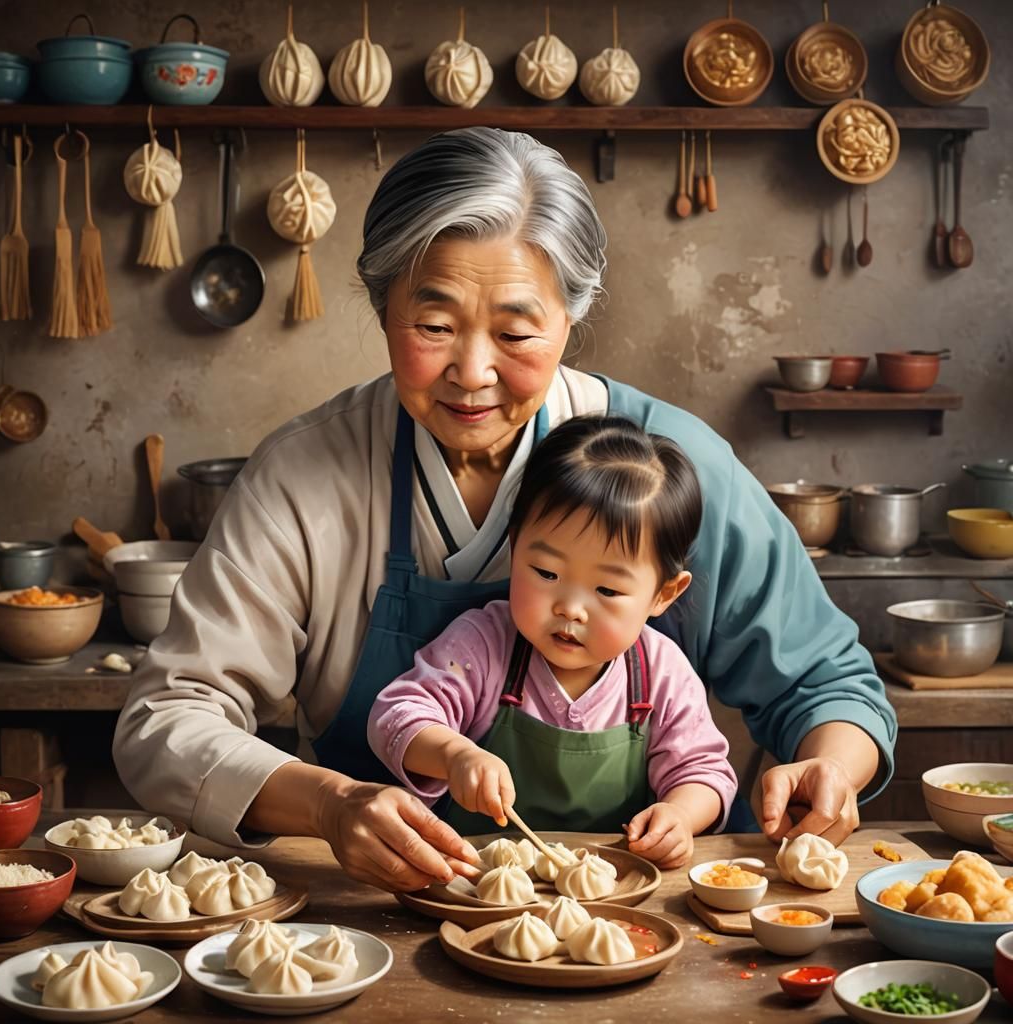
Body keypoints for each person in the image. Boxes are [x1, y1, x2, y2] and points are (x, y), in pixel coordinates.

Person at [113, 127, 897, 895]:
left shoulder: (663, 467)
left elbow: (825, 681)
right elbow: (167, 722)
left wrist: (831, 762)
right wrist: (328, 801)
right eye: (434, 326)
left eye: (518, 331)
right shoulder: (303, 476)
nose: (474, 371)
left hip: (630, 917)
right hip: (369, 911)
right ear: (383, 306)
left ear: (571, 319)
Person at [368, 415, 737, 869]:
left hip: (613, 901)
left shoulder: (661, 673)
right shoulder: (483, 645)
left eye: (607, 590)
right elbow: (396, 716)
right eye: (546, 573)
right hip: (483, 887)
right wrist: (455, 754)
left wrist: (680, 815)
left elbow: (703, 771)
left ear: (663, 594)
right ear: (514, 547)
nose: (570, 608)